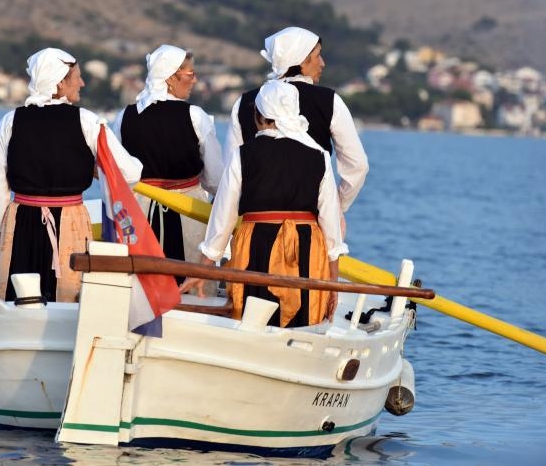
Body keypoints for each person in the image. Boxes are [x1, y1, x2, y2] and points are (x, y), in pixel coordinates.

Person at [180, 80, 348, 327]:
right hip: (306, 246)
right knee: (303, 319)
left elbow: (223, 216)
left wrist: (204, 268)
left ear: (259, 116)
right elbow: (330, 223)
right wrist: (332, 282)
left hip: (256, 244)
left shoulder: (242, 154)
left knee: (252, 318)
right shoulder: (319, 157)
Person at [0, 47, 142, 302]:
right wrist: (95, 167)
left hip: (20, 223)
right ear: (60, 82)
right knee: (67, 299)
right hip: (70, 221)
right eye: (77, 77)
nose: (82, 83)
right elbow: (131, 172)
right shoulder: (87, 122)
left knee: (19, 298)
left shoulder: (10, 121)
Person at [224, 26, 368, 238]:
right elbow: (357, 166)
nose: (323, 63)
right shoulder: (329, 102)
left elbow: (228, 171)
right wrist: (335, 206)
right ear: (301, 60)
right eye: (317, 56)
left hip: (252, 228)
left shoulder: (244, 102)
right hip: (312, 227)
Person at [113, 44, 223, 290]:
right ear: (172, 77)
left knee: (142, 286)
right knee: (191, 287)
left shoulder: (125, 116)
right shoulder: (195, 116)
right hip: (188, 212)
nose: (194, 80)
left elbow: (116, 171)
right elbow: (215, 178)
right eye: (190, 74)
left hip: (140, 213)